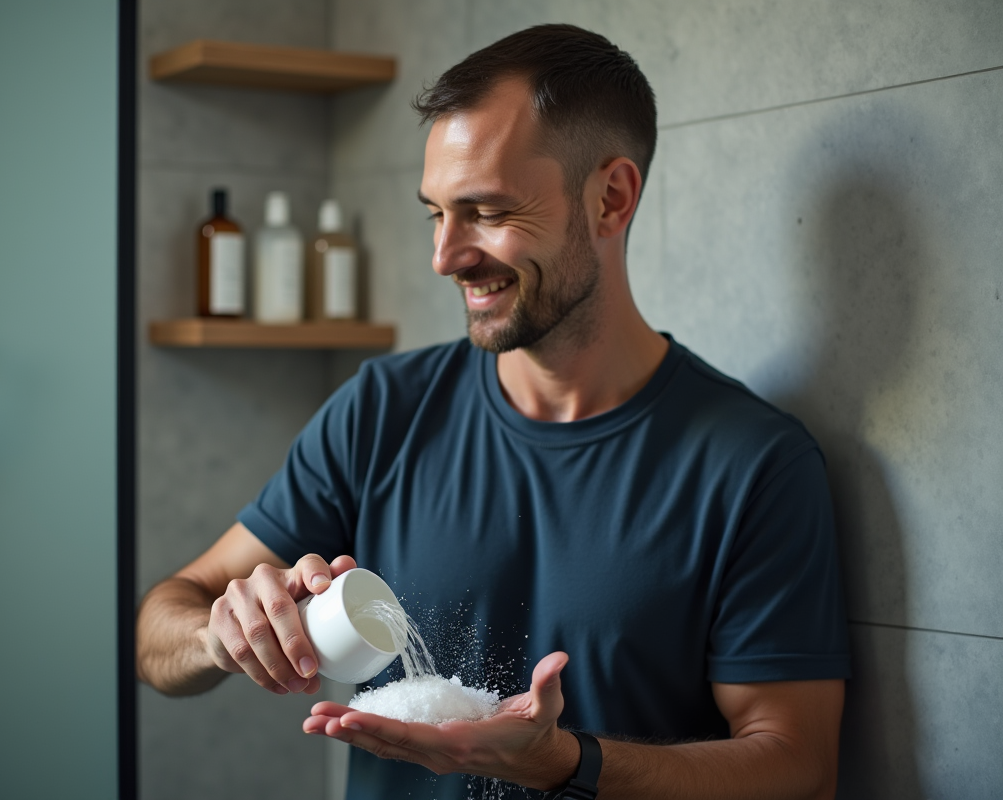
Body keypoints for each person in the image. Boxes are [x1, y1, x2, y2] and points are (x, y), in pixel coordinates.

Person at [136, 23, 850, 800]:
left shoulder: (753, 465)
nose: (446, 255)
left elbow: (796, 767)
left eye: (486, 211)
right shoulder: (382, 414)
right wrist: (222, 633)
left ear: (611, 198)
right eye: (437, 213)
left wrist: (567, 764)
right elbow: (158, 628)